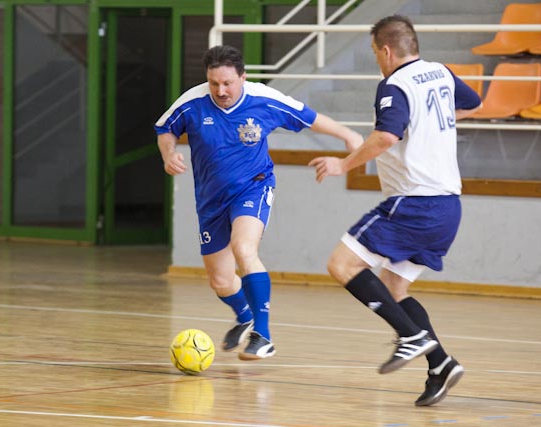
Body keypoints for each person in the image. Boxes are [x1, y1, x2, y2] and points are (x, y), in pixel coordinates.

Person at [309, 15, 482, 406]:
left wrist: (343, 164)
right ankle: (440, 364)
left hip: (414, 202)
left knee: (341, 264)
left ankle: (411, 336)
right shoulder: (440, 72)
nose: (377, 60)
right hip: (448, 206)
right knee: (393, 289)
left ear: (386, 50)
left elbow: (386, 136)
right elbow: (475, 104)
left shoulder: (395, 83)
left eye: (375, 52)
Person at [155, 45, 363, 360]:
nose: (220, 91)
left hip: (253, 187)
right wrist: (169, 154)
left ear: (243, 77)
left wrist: (347, 135)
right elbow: (165, 129)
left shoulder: (264, 99)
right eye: (214, 83)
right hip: (211, 199)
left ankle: (263, 335)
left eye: (227, 83)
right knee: (221, 281)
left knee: (244, 248)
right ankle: (245, 316)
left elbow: (309, 117)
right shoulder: (192, 102)